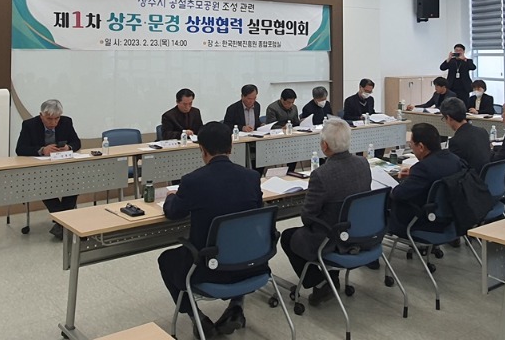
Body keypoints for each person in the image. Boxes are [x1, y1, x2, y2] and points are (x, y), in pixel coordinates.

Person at [157, 122, 264, 338]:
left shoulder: (193, 181)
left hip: (208, 268)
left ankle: (198, 318)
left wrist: (171, 197)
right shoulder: (251, 177)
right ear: (231, 147)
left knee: (166, 260)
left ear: (202, 150)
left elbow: (174, 212)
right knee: (237, 243)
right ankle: (236, 307)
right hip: (252, 264)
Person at [280, 119, 371, 306]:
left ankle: (321, 282)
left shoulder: (321, 174)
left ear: (324, 146)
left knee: (288, 237)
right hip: (359, 232)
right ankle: (331, 276)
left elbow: (307, 217)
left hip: (332, 238)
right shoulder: (363, 163)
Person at [15, 99, 82, 239]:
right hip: (40, 169)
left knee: (74, 183)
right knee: (43, 185)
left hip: (62, 167)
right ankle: (64, 222)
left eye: (57, 118)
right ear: (41, 115)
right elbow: (20, 149)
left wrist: (68, 147)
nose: (53, 122)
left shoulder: (66, 122)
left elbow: (77, 142)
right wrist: (42, 150)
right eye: (49, 119)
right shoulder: (29, 125)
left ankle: (61, 224)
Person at [389, 123, 466, 237]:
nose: (412, 148)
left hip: (425, 222)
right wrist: (413, 176)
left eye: (411, 145)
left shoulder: (422, 168)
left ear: (421, 147)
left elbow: (398, 194)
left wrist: (403, 182)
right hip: (455, 217)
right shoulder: (454, 159)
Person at [440, 98, 491, 173]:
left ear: (448, 118)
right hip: (487, 176)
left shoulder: (455, 141)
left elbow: (453, 169)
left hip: (471, 178)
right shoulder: (482, 132)